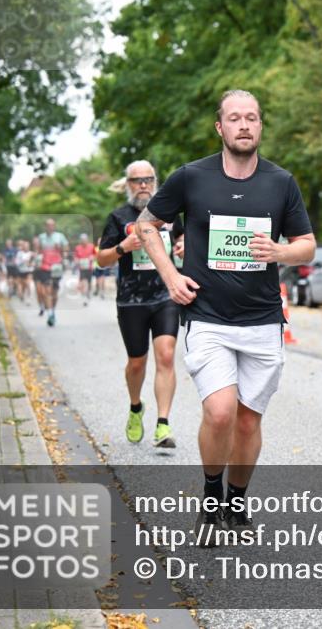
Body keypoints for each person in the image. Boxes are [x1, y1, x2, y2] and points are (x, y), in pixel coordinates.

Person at [137, 90, 315, 541]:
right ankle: (212, 496)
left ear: (260, 127)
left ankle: (237, 504)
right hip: (207, 317)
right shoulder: (191, 177)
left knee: (248, 420)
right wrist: (170, 276)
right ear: (220, 127)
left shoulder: (281, 182)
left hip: (261, 321)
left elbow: (307, 244)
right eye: (234, 118)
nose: (243, 125)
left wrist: (281, 250)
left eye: (251, 118)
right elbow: (146, 226)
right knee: (219, 412)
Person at [97, 161, 185, 448]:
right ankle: (136, 407)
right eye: (137, 180)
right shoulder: (118, 217)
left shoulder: (170, 215)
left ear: (156, 181)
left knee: (167, 355)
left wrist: (186, 246)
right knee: (137, 363)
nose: (143, 185)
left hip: (165, 295)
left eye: (148, 179)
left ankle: (163, 425)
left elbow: (185, 242)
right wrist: (124, 247)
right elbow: (101, 259)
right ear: (128, 185)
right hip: (131, 299)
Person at [34, 218, 69, 326]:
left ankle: (52, 311)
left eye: (52, 225)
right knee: (46, 291)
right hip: (45, 267)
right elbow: (38, 251)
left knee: (54, 292)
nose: (50, 227)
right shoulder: (41, 237)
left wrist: (62, 252)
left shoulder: (60, 236)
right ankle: (49, 314)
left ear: (54, 226)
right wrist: (37, 260)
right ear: (45, 227)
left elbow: (66, 250)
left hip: (56, 267)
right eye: (48, 225)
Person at [74, 233, 97, 306]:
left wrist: (92, 257)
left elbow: (96, 254)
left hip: (89, 267)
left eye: (85, 239)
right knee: (84, 283)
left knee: (89, 283)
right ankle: (85, 299)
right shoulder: (77, 247)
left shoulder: (91, 246)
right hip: (82, 268)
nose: (83, 241)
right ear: (80, 240)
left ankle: (88, 293)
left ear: (87, 240)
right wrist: (77, 261)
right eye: (82, 240)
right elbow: (75, 257)